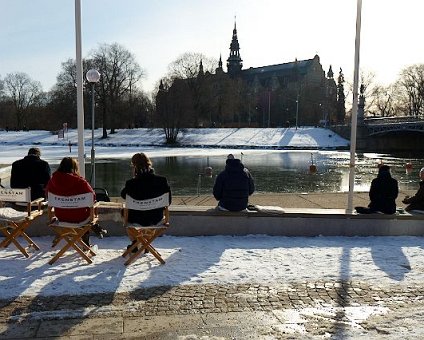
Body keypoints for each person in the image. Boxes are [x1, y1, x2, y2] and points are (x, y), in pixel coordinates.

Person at [121, 153, 172, 250]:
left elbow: (124, 195)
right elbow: (168, 201)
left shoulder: (131, 183)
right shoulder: (162, 181)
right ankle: (144, 243)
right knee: (149, 219)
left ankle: (136, 242)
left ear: (134, 166)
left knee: (124, 212)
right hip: (156, 218)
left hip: (136, 219)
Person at [45, 157, 97, 245]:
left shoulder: (52, 181)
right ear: (74, 168)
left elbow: (47, 196)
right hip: (80, 218)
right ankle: (85, 239)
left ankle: (69, 235)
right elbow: (92, 197)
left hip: (61, 217)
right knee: (91, 212)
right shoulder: (80, 182)